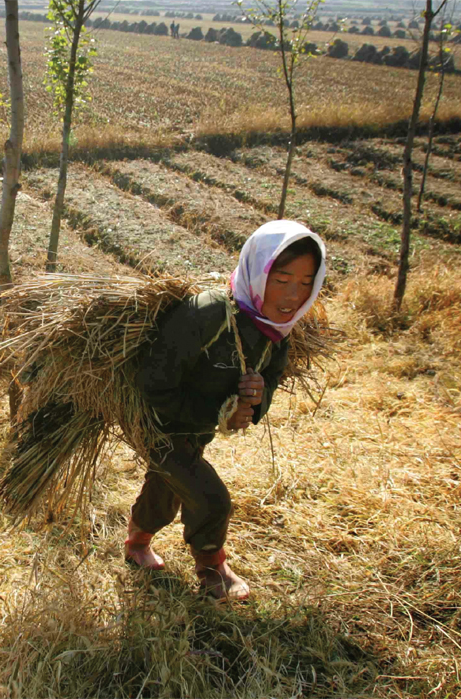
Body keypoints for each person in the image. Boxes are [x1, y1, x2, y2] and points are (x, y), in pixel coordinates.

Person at [125, 220, 326, 601]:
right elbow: (154, 384)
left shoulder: (277, 332)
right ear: (257, 271)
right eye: (281, 279)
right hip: (156, 422)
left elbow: (267, 385)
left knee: (166, 488)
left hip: (194, 430)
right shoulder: (209, 313)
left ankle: (136, 543)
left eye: (305, 282)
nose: (293, 295)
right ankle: (212, 566)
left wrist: (254, 400)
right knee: (211, 497)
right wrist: (219, 414)